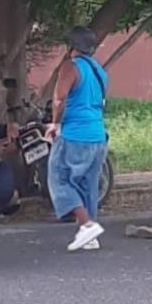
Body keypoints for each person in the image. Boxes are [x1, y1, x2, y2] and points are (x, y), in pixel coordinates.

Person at [45, 26, 109, 252]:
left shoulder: (70, 67)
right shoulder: (99, 71)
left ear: (70, 46)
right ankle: (89, 237)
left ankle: (87, 224)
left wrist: (55, 124)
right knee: (87, 184)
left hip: (74, 134)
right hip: (98, 135)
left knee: (59, 178)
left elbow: (59, 99)